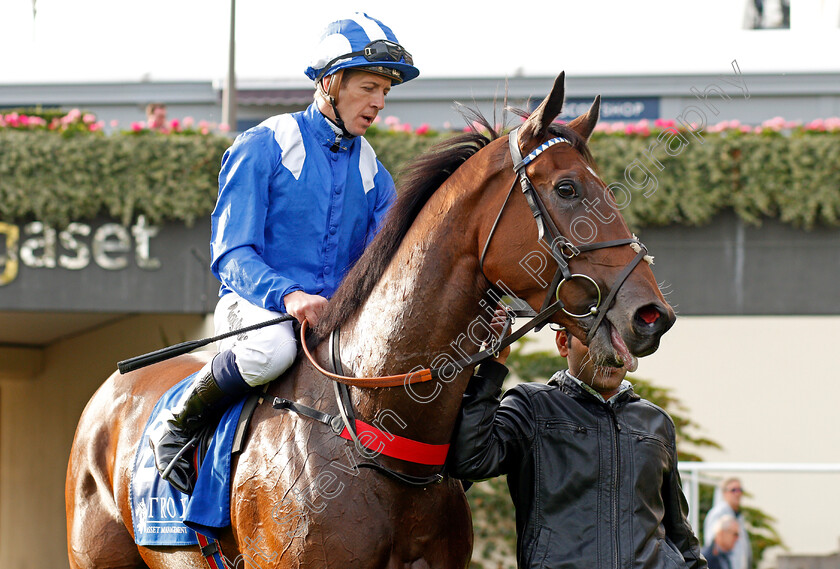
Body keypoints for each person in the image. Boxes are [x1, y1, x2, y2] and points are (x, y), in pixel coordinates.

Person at [149, 12, 419, 495]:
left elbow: (389, 266)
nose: (379, 102)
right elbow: (231, 253)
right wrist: (290, 295)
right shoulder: (264, 144)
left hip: (332, 320)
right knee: (274, 349)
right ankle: (179, 422)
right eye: (368, 87)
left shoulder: (376, 174)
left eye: (386, 91)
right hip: (255, 310)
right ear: (331, 82)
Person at [448, 324, 707, 569]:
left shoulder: (657, 421)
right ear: (563, 343)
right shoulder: (531, 406)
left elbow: (678, 527)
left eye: (621, 339)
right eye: (595, 336)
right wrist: (492, 367)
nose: (611, 349)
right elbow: (471, 460)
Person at [704, 478, 752, 569]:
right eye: (733, 490)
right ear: (724, 493)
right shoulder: (717, 514)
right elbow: (713, 545)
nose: (738, 494)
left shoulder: (738, 516)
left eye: (740, 490)